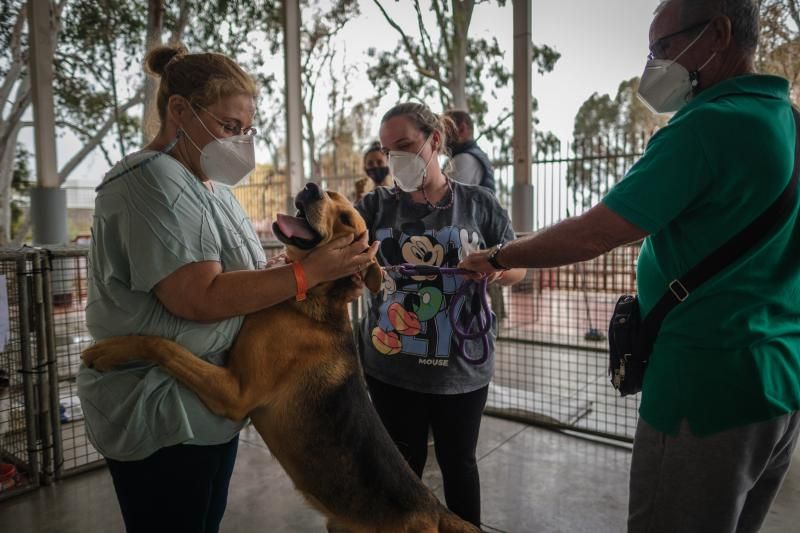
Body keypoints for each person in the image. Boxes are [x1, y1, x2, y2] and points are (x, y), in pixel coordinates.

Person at [460, 1, 800, 532]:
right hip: (778, 386)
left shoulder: (706, 126)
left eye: (662, 48)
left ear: (717, 34)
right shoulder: (787, 122)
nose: (652, 65)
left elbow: (597, 230)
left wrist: (500, 256)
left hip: (704, 390)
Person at [78, 44, 378, 533]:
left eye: (246, 130)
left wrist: (310, 271)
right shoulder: (153, 181)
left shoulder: (208, 184)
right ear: (180, 111)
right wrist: (306, 275)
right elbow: (198, 298)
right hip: (164, 414)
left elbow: (238, 272)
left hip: (208, 408)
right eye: (228, 126)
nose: (240, 141)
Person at [355, 102, 526, 527]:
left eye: (405, 146)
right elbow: (336, 248)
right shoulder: (375, 207)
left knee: (459, 465)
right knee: (399, 471)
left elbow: (518, 267)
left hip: (461, 370)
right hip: (391, 370)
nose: (395, 160)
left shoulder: (478, 203)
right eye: (386, 150)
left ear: (434, 140)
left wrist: (494, 264)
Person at [444, 109, 495, 192]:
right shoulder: (475, 156)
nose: (442, 137)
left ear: (461, 129)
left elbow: (442, 198)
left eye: (446, 130)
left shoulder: (464, 159)